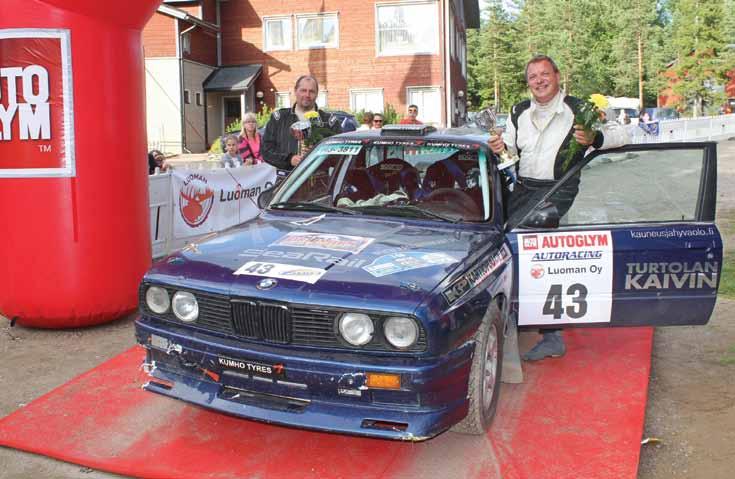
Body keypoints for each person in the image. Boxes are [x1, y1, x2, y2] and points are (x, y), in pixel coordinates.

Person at [488, 54, 628, 362]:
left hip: (560, 191)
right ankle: (522, 319)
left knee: (547, 261)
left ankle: (551, 336)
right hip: (523, 189)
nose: (539, 81)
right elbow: (510, 149)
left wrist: (596, 137)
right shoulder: (519, 111)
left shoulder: (581, 109)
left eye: (544, 74)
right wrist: (501, 147)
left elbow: (624, 134)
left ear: (557, 75)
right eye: (533, 76)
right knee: (515, 252)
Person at [262, 75, 341, 171]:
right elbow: (266, 151)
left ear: (316, 94)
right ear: (295, 91)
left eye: (312, 91)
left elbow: (340, 154)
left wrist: (318, 154)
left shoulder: (329, 122)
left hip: (319, 181)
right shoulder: (278, 119)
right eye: (303, 90)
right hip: (286, 182)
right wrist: (289, 159)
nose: (307, 95)